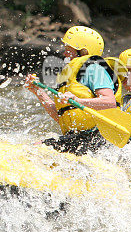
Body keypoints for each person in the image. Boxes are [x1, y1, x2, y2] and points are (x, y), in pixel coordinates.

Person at [24, 26, 119, 154]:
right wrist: (38, 92)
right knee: (37, 146)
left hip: (97, 137)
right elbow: (61, 116)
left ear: (83, 52)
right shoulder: (70, 76)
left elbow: (109, 102)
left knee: (39, 147)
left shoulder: (94, 69)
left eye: (68, 50)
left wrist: (78, 100)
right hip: (78, 138)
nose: (64, 54)